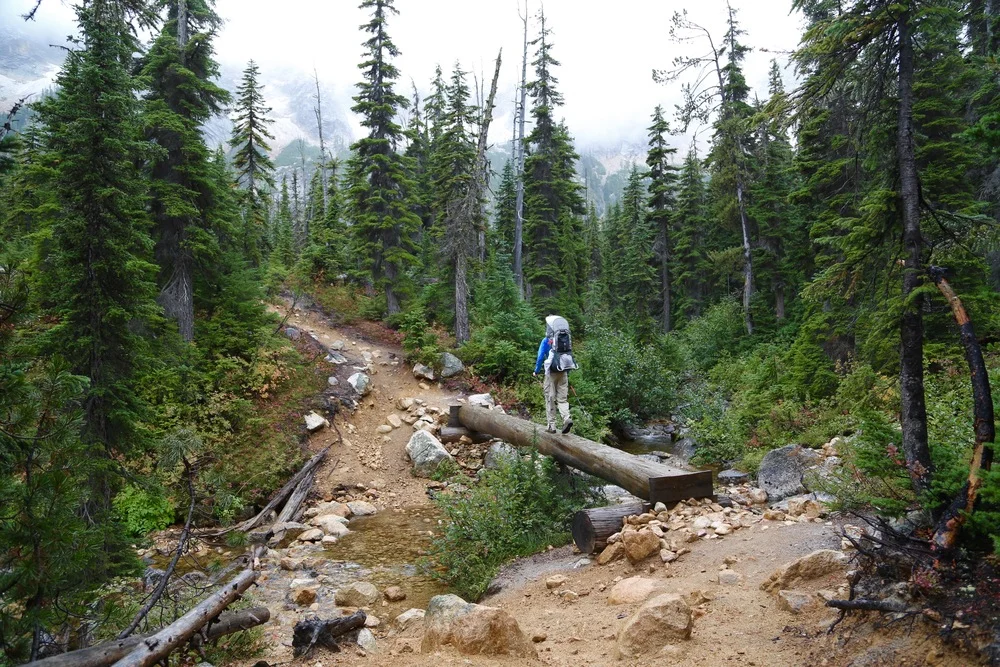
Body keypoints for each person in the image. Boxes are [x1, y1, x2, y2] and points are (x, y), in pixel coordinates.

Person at [533, 315, 575, 434]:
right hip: (563, 371)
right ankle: (566, 418)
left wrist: (536, 370)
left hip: (551, 373)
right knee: (562, 399)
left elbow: (540, 357)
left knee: (550, 398)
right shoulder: (565, 338)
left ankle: (551, 426)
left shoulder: (546, 340)